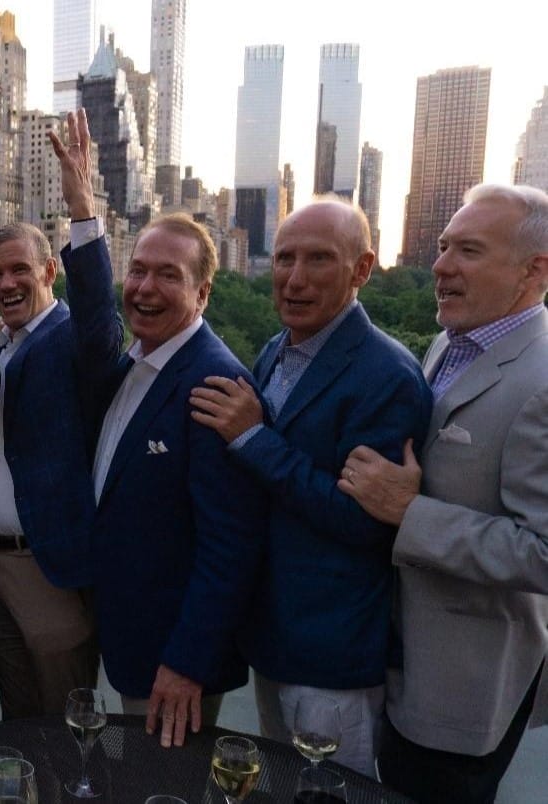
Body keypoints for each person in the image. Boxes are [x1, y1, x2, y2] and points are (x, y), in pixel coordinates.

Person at [187, 199, 433, 776]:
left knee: (326, 790)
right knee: (282, 783)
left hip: (329, 650)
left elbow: (365, 522)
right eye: (284, 258)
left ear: (362, 269)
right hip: (273, 635)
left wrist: (253, 439)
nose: (294, 279)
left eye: (318, 260)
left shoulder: (387, 377)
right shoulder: (280, 348)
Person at [50, 113, 268, 747]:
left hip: (174, 663)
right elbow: (93, 320)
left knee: (165, 788)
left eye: (167, 275)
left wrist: (188, 662)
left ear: (202, 293)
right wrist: (83, 211)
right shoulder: (136, 365)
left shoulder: (215, 386)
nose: (144, 287)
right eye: (138, 270)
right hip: (130, 636)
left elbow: (230, 547)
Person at [339, 183, 548, 803]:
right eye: (442, 246)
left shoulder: (541, 379)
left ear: (534, 270)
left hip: (464, 688)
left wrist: (411, 514)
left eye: (469, 252)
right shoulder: (447, 345)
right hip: (399, 659)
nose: (440, 267)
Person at [0, 109, 121, 720]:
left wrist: (83, 210)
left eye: (21, 270)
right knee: (17, 719)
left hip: (48, 566)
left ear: (50, 270)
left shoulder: (71, 340)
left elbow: (100, 325)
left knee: (69, 722)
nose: (8, 283)